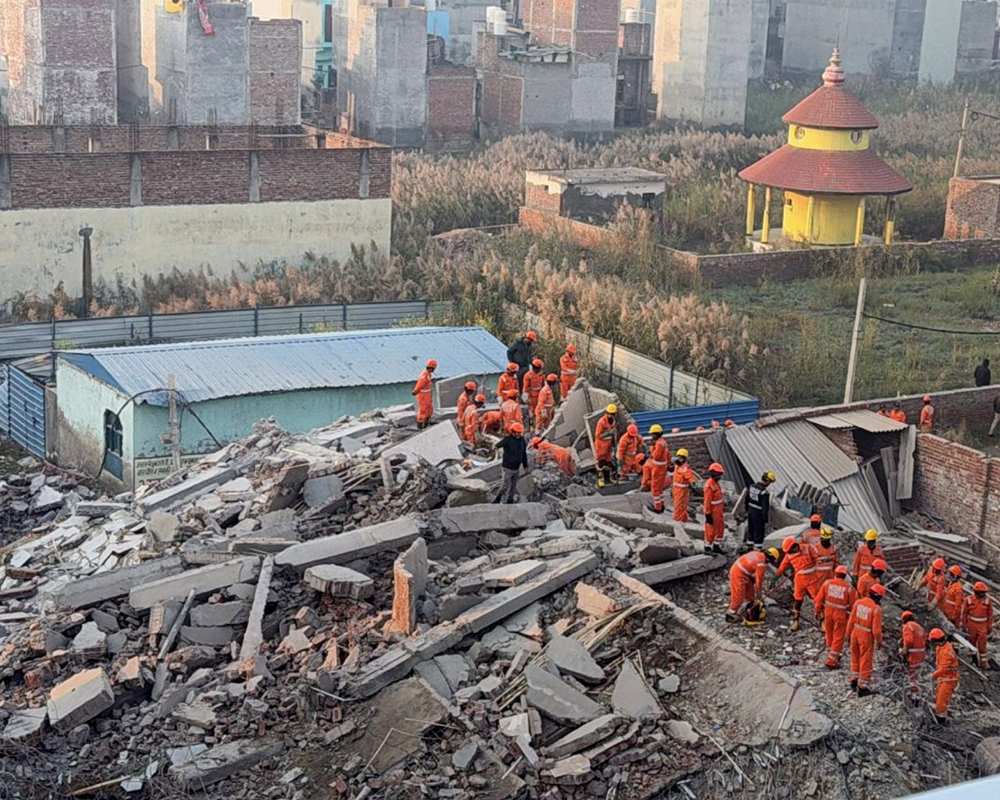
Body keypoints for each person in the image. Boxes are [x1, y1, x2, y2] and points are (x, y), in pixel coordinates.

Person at [846, 583, 885, 696]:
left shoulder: (858, 603)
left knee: (855, 657)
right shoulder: (876, 609)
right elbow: (876, 630)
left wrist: (848, 635)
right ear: (879, 597)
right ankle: (862, 687)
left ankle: (854, 680)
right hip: (866, 636)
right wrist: (879, 642)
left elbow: (851, 621)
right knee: (865, 661)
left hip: (855, 632)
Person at [815, 565, 857, 669]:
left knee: (829, 634)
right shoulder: (849, 588)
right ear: (845, 576)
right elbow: (853, 606)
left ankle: (831, 653)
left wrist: (817, 611)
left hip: (828, 612)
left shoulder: (827, 583)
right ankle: (831, 661)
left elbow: (818, 599)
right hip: (840, 614)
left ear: (835, 573)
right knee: (838, 637)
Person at [726, 548, 780, 622]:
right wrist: (759, 595)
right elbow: (759, 581)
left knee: (750, 592)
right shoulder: (761, 564)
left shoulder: (757, 553)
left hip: (743, 572)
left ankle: (749, 606)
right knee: (738, 595)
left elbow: (749, 565)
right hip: (737, 574)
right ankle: (731, 614)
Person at [778, 537, 819, 631]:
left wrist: (819, 560)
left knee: (817, 599)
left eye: (791, 550)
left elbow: (817, 557)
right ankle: (796, 621)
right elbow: (782, 567)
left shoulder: (807, 548)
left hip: (812, 578)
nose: (791, 552)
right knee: (798, 599)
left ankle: (822, 619)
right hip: (799, 579)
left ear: (795, 546)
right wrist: (776, 576)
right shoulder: (789, 555)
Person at [928, 628, 959, 723]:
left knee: (941, 702)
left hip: (949, 679)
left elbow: (943, 669)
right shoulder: (941, 647)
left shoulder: (946, 651)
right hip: (943, 677)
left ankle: (941, 721)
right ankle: (939, 716)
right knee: (938, 698)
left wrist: (933, 676)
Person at [494, 422, 528, 504]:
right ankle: (497, 499)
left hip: (516, 468)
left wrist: (525, 466)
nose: (519, 434)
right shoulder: (507, 440)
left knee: (513, 486)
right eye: (518, 432)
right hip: (507, 468)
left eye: (520, 432)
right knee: (505, 485)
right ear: (513, 432)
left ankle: (510, 500)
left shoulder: (522, 441)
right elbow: (497, 445)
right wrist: (494, 447)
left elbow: (523, 454)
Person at [962, 581, 993, 669]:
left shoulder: (987, 601)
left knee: (982, 645)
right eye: (982, 592)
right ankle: (974, 660)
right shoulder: (968, 600)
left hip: (982, 626)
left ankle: (983, 663)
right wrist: (964, 625)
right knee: (971, 643)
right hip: (971, 625)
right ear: (976, 592)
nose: (983, 594)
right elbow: (964, 613)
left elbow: (990, 615)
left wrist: (989, 626)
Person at [899, 610, 927, 701]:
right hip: (921, 655)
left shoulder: (908, 626)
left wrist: (903, 651)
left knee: (912, 675)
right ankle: (916, 693)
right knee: (916, 674)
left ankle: (914, 696)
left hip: (913, 656)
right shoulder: (919, 627)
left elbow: (909, 641)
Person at [745, 472, 776, 549]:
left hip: (750, 511)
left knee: (751, 530)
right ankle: (757, 549)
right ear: (767, 481)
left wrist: (747, 510)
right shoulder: (764, 492)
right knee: (759, 532)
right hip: (758, 514)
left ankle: (749, 547)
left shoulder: (752, 487)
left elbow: (746, 500)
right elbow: (765, 507)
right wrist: (765, 520)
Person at [646, 424, 670, 513]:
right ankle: (661, 504)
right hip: (662, 467)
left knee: (655, 488)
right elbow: (668, 455)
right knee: (660, 488)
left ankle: (657, 508)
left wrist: (652, 447)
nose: (651, 436)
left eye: (652, 434)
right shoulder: (663, 442)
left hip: (658, 468)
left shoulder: (659, 444)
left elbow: (656, 456)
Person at [594, 404, 619, 488]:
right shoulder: (601, 422)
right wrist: (609, 432)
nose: (612, 415)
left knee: (608, 462)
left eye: (613, 414)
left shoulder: (613, 421)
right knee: (601, 463)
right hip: (601, 445)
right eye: (610, 414)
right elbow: (598, 435)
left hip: (608, 445)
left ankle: (607, 479)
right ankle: (600, 480)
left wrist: (614, 443)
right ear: (607, 413)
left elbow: (614, 434)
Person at [703, 463, 726, 553]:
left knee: (720, 527)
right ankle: (707, 546)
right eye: (718, 475)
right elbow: (707, 502)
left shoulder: (715, 483)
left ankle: (717, 545)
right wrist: (707, 514)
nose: (719, 477)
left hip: (718, 509)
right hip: (713, 510)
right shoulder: (709, 486)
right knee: (711, 528)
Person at [671, 449, 697, 523]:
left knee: (679, 506)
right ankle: (684, 519)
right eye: (678, 457)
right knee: (679, 505)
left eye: (681, 458)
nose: (679, 459)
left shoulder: (685, 468)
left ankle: (677, 521)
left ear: (685, 459)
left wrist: (693, 483)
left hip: (682, 490)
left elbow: (690, 477)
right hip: (676, 488)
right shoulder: (677, 465)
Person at [412, 359, 436, 429]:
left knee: (429, 408)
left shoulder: (428, 374)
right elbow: (419, 385)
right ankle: (420, 426)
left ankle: (426, 422)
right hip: (423, 395)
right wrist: (415, 391)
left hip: (427, 394)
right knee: (423, 409)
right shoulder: (424, 377)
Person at [523, 359, 546, 428]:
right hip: (532, 396)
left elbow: (544, 385)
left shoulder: (541, 375)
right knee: (532, 411)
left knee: (542, 410)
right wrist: (525, 396)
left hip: (540, 395)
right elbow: (525, 387)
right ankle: (532, 425)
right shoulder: (528, 375)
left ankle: (542, 425)